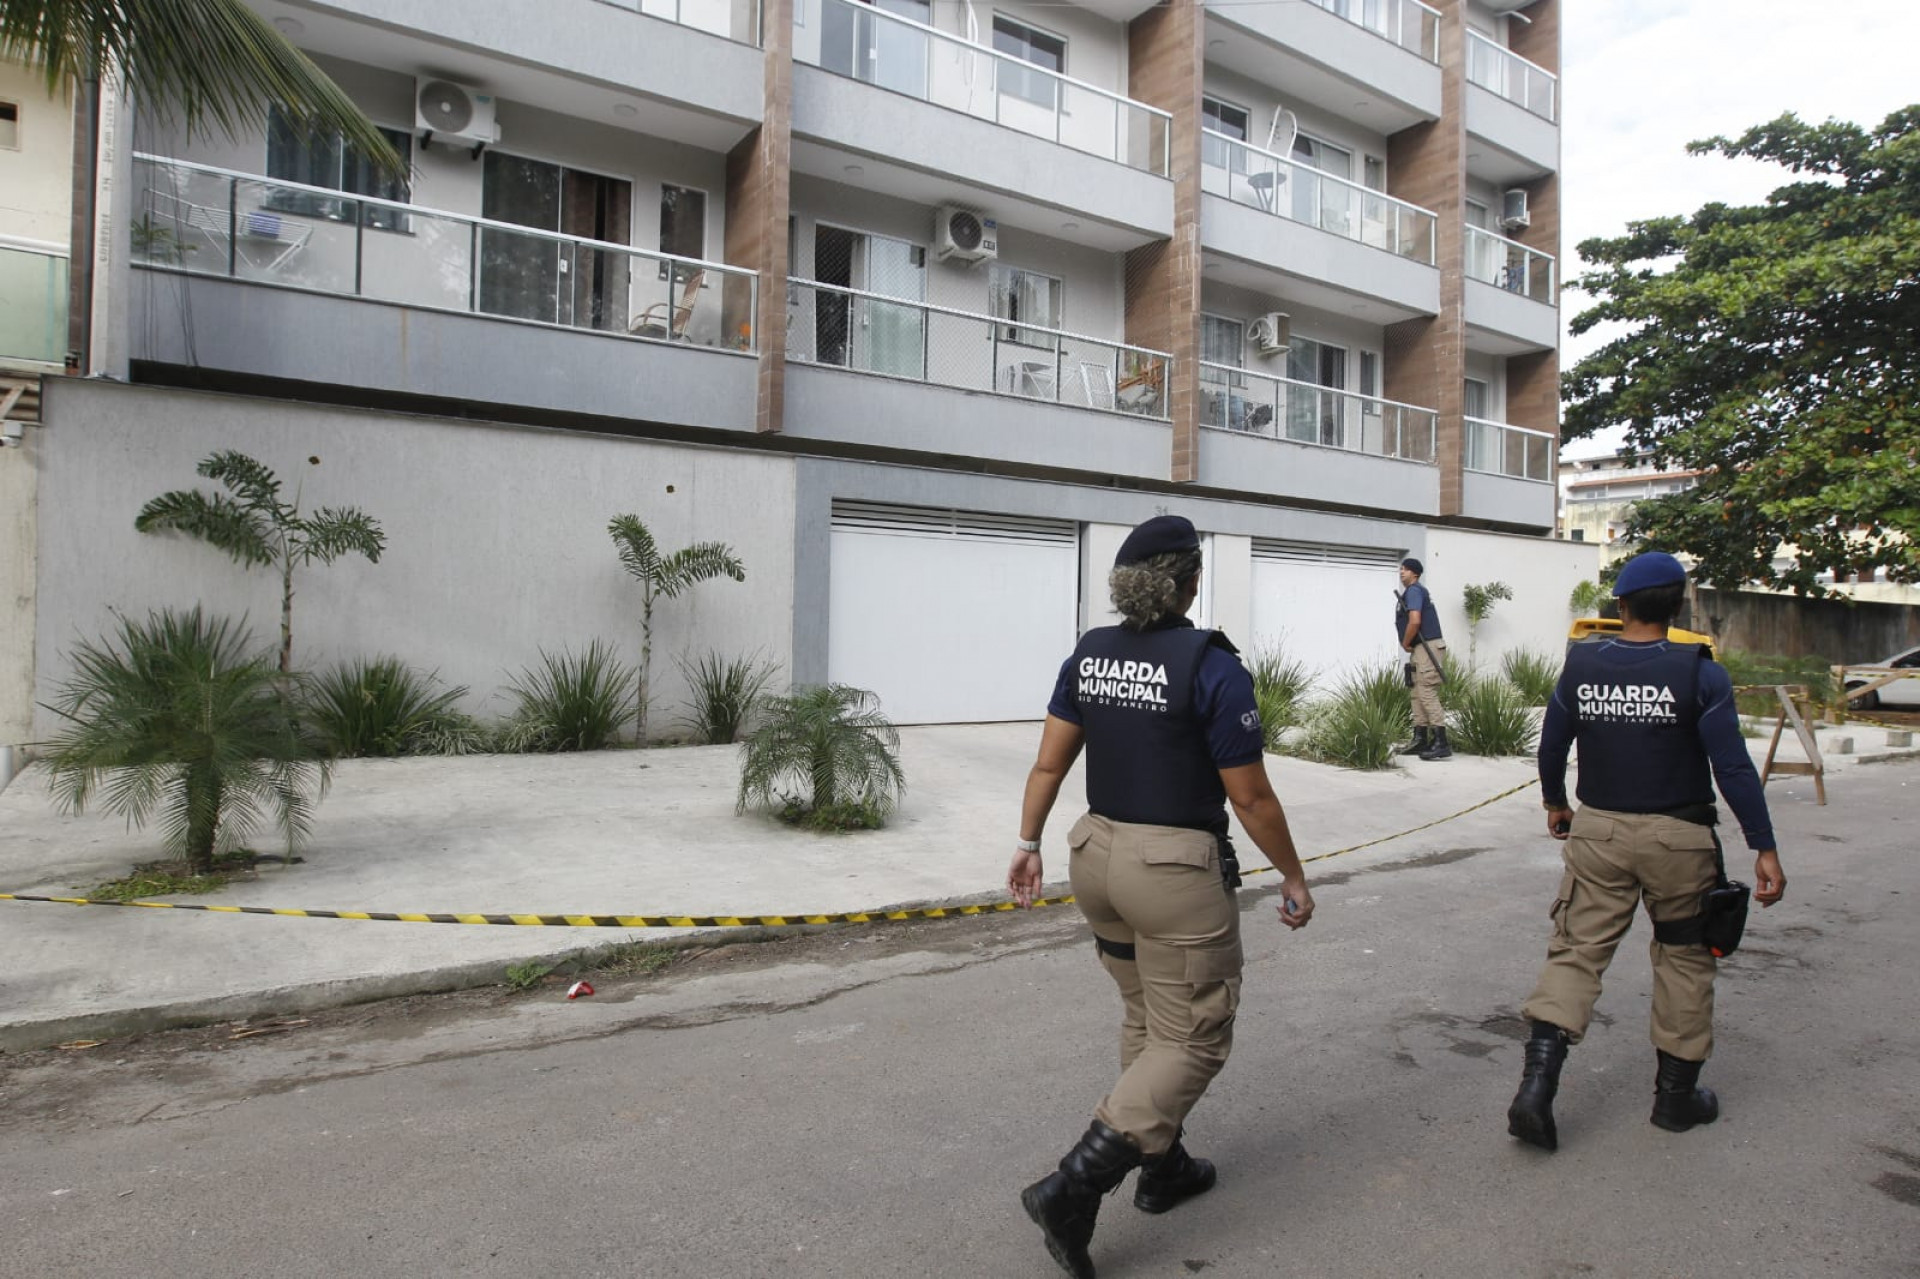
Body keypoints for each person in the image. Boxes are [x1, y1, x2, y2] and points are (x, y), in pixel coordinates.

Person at [1008, 514, 1316, 1279]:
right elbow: (1251, 798)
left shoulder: (1091, 653)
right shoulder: (1210, 664)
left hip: (1095, 859)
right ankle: (1075, 1184)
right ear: (1190, 582)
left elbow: (1049, 765)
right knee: (1197, 1035)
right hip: (1172, 873)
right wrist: (1295, 873)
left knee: (1148, 1016)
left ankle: (1164, 1165)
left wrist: (1026, 844)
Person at [1506, 551, 1788, 1152]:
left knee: (1577, 953)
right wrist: (1763, 846)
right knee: (1685, 961)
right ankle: (1675, 1101)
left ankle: (1536, 1089)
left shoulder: (1581, 663)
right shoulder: (1700, 673)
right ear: (1678, 607)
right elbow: (1733, 767)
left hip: (1600, 833)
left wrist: (1556, 802)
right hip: (1679, 840)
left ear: (1622, 606)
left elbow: (1552, 743)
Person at [1395, 557, 1450, 760]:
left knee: (1426, 690)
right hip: (1421, 648)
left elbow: (1415, 620)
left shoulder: (1415, 590)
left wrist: (1405, 642)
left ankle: (1441, 742)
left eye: (1406, 569)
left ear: (1415, 574)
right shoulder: (1411, 592)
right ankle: (1420, 739)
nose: (1402, 572)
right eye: (1401, 569)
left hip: (1427, 646)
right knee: (1417, 691)